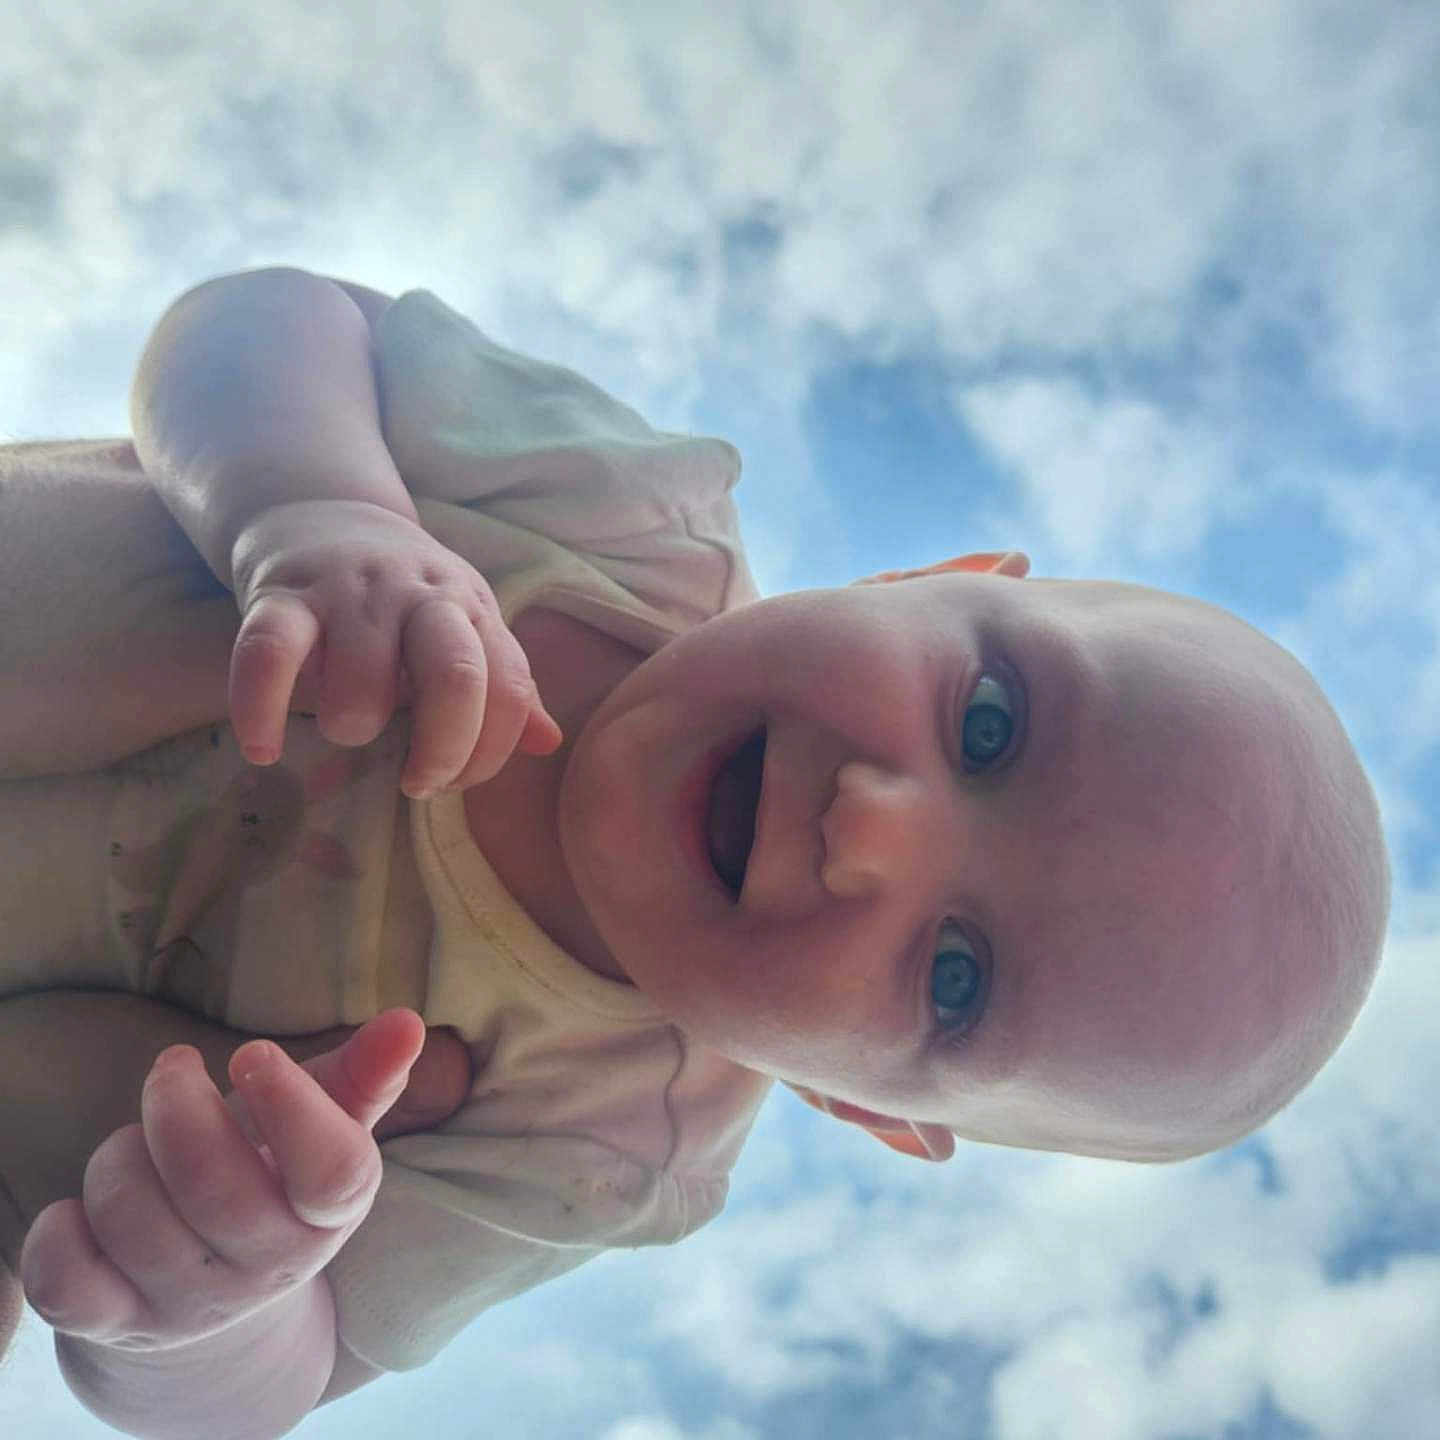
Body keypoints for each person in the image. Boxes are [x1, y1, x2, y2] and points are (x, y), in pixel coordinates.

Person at [0, 267, 1389, 1438]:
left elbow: (286, 1374)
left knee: (148, 1170)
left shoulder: (604, 1141)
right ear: (925, 586)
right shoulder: (614, 519)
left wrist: (217, 1291)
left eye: (956, 977)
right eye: (988, 721)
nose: (872, 831)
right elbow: (271, 323)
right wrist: (313, 506)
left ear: (857, 1104)